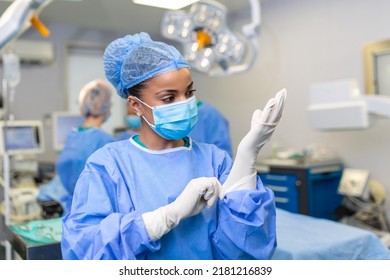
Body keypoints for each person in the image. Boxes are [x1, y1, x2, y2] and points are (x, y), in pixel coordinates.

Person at [61, 32, 287, 260]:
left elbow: (248, 254)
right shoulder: (108, 166)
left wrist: (246, 160)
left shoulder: (215, 160)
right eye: (169, 98)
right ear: (135, 105)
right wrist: (163, 218)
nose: (185, 104)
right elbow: (84, 251)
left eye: (189, 92)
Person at [55, 79, 116, 214]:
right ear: (106, 107)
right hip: (93, 211)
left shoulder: (73, 135)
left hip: (71, 209)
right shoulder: (105, 141)